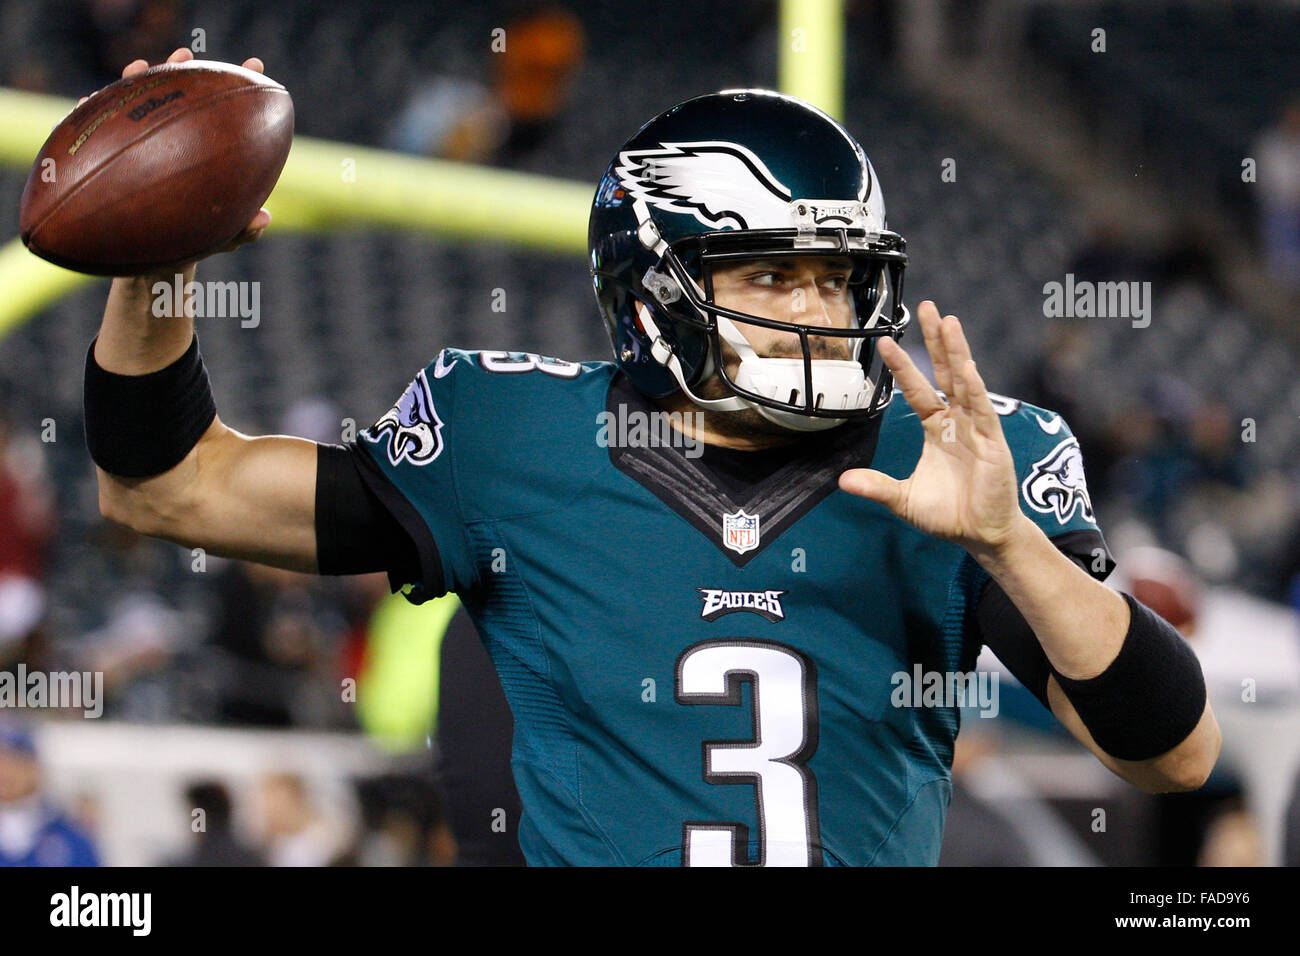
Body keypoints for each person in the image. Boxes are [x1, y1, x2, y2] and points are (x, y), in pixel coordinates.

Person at [84, 48, 1219, 866]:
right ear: (651, 287)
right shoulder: (508, 435)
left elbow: (1172, 752)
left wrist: (1011, 542)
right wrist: (159, 271)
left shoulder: (970, 457)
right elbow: (166, 486)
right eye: (772, 274)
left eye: (837, 274)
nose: (817, 307)